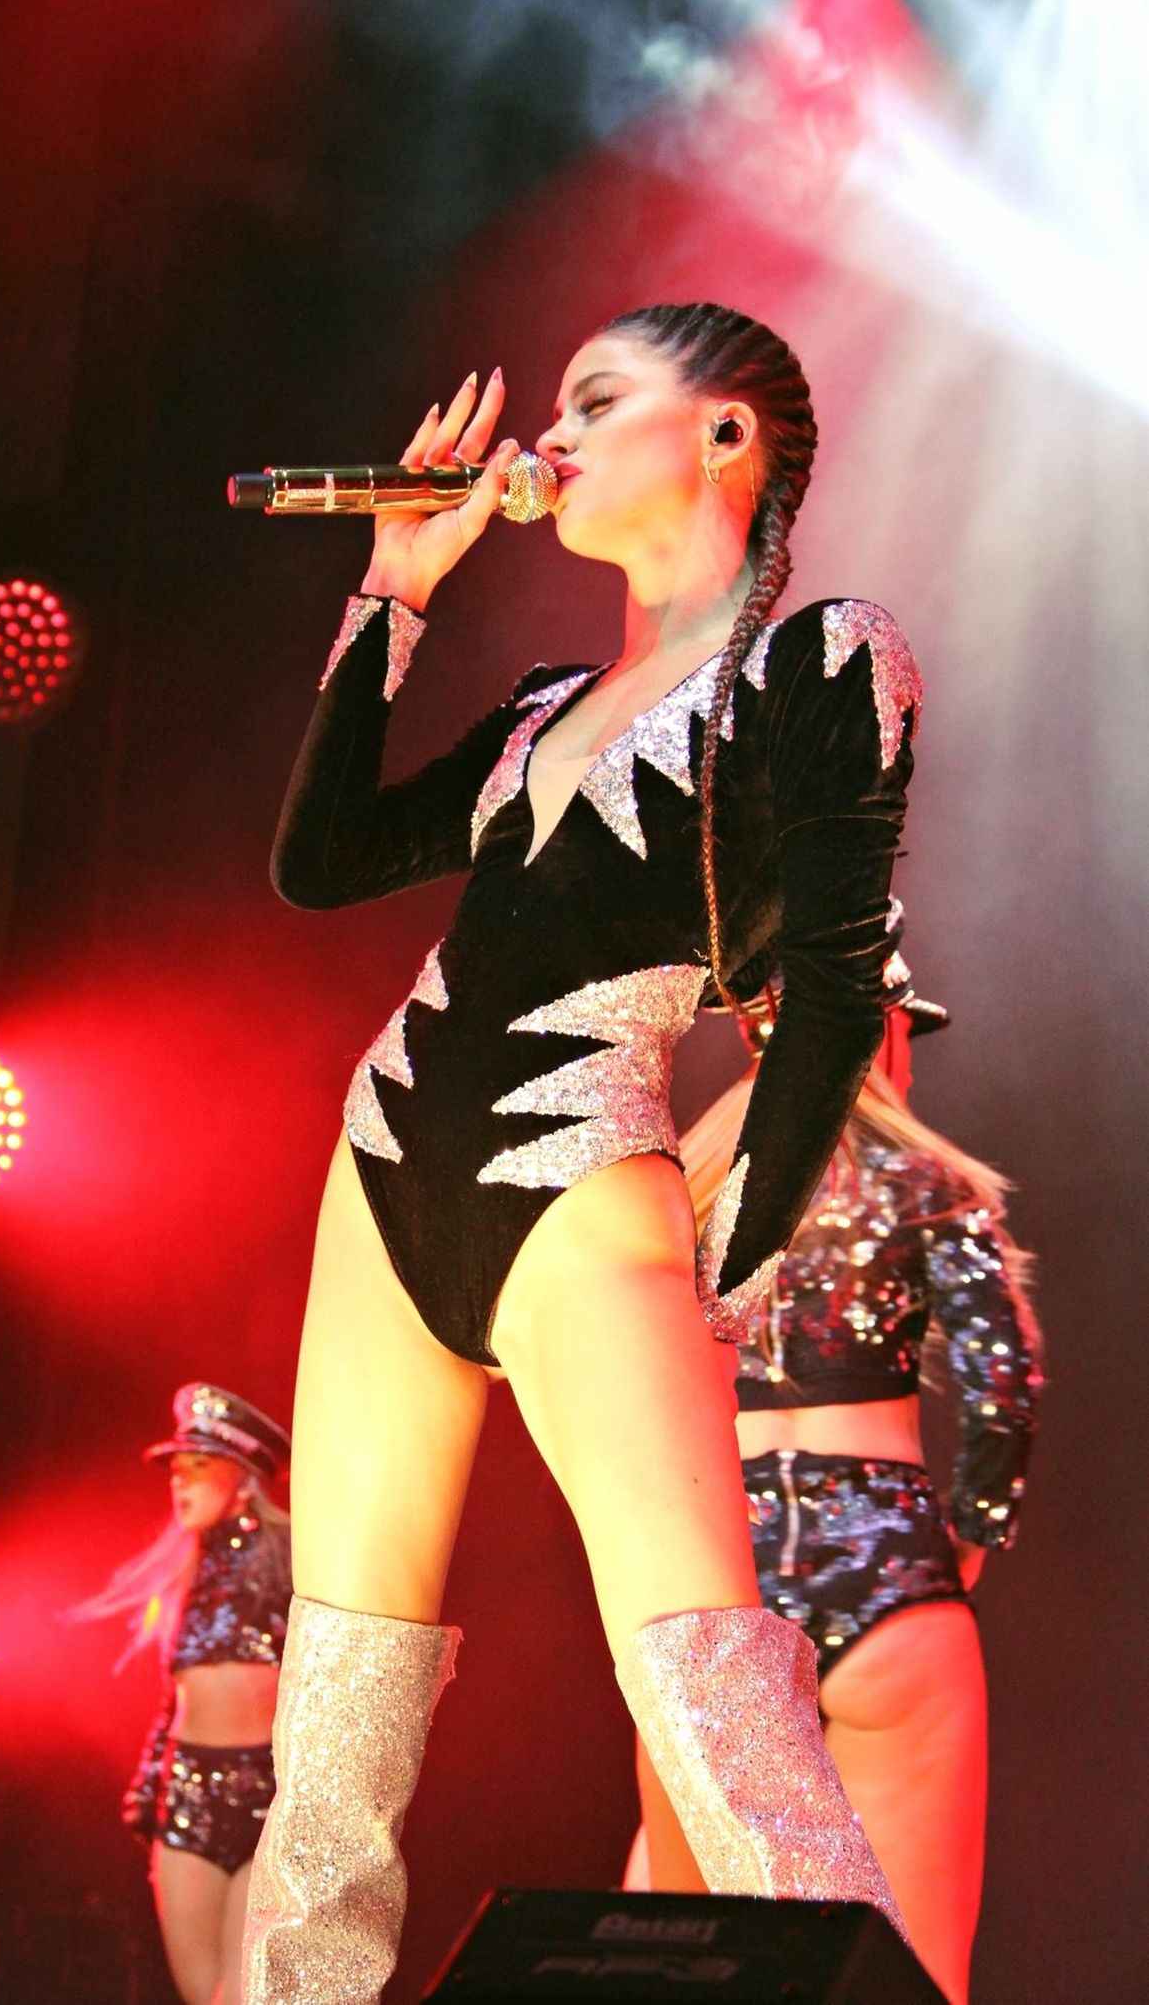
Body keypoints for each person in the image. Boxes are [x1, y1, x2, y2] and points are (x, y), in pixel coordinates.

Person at [246, 303, 927, 2001]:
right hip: (382, 1159)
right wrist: (395, 586)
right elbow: (319, 865)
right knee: (332, 1717)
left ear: (724, 438)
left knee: (708, 1693)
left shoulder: (816, 662)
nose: (547, 435)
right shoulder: (543, 702)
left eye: (595, 401)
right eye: (553, 404)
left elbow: (834, 985)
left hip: (578, 1178)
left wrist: (731, 1261)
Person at [625, 919, 1042, 2004]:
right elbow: (1002, 1385)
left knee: (672, 1957)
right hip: (888, 1571)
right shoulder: (929, 1181)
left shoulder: (683, 1185)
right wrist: (964, 1544)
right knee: (914, 1971)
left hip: (718, 1573)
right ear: (884, 1029)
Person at [73, 1384, 291, 2005]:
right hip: (188, 1796)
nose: (179, 1481)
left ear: (243, 1475)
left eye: (198, 1465)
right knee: (201, 1996)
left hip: (267, 1796)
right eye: (175, 1469)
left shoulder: (292, 1555)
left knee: (243, 1996)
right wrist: (149, 1785)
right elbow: (175, 1700)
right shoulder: (181, 1572)